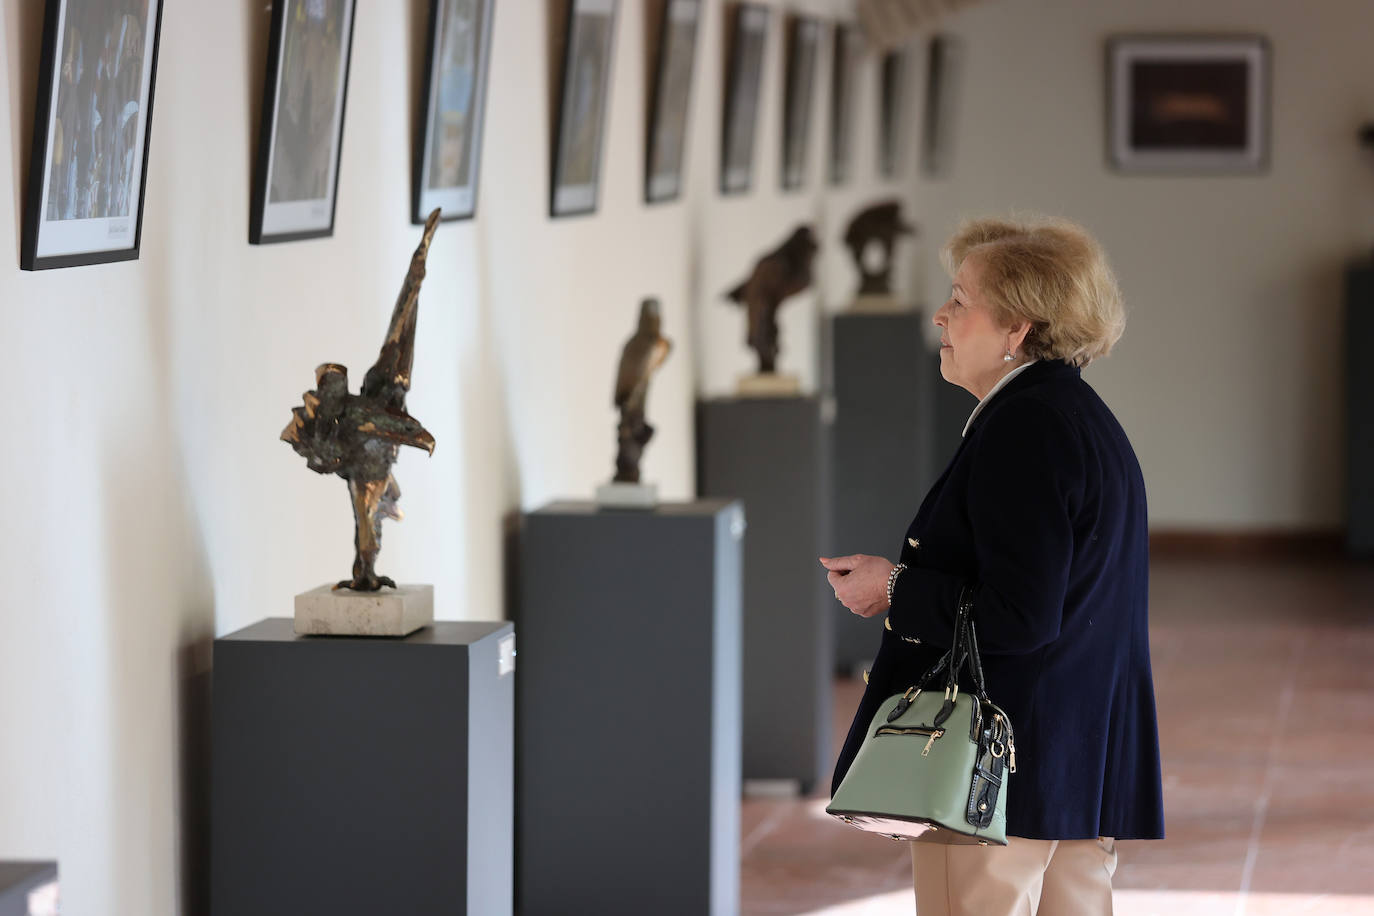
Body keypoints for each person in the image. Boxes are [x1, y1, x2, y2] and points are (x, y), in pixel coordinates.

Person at [820, 215, 1164, 915]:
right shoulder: (1073, 414)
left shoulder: (1026, 428)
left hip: (997, 771)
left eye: (960, 299)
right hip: (1072, 761)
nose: (941, 316)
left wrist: (894, 587)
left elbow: (1020, 612)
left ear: (1017, 330)